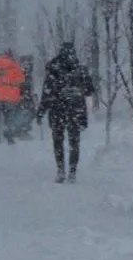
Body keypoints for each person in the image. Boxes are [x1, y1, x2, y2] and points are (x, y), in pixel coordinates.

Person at [37, 41, 95, 183]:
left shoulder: (53, 70)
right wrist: (87, 109)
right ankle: (72, 172)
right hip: (76, 111)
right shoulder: (80, 70)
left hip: (57, 110)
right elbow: (89, 92)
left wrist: (41, 111)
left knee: (58, 141)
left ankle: (61, 171)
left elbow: (46, 94)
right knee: (74, 142)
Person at [0, 49, 25, 144]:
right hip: (9, 96)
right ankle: (9, 136)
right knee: (8, 118)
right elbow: (21, 79)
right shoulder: (14, 64)